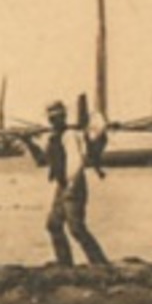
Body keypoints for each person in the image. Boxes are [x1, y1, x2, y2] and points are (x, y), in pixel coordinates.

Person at [36, 100, 108, 267]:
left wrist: (70, 185)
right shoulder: (53, 138)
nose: (54, 121)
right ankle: (65, 263)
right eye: (52, 119)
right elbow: (41, 161)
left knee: (76, 228)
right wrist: (27, 142)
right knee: (53, 225)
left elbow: (75, 162)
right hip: (62, 186)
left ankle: (100, 263)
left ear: (64, 117)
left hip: (74, 184)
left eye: (58, 118)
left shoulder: (70, 136)